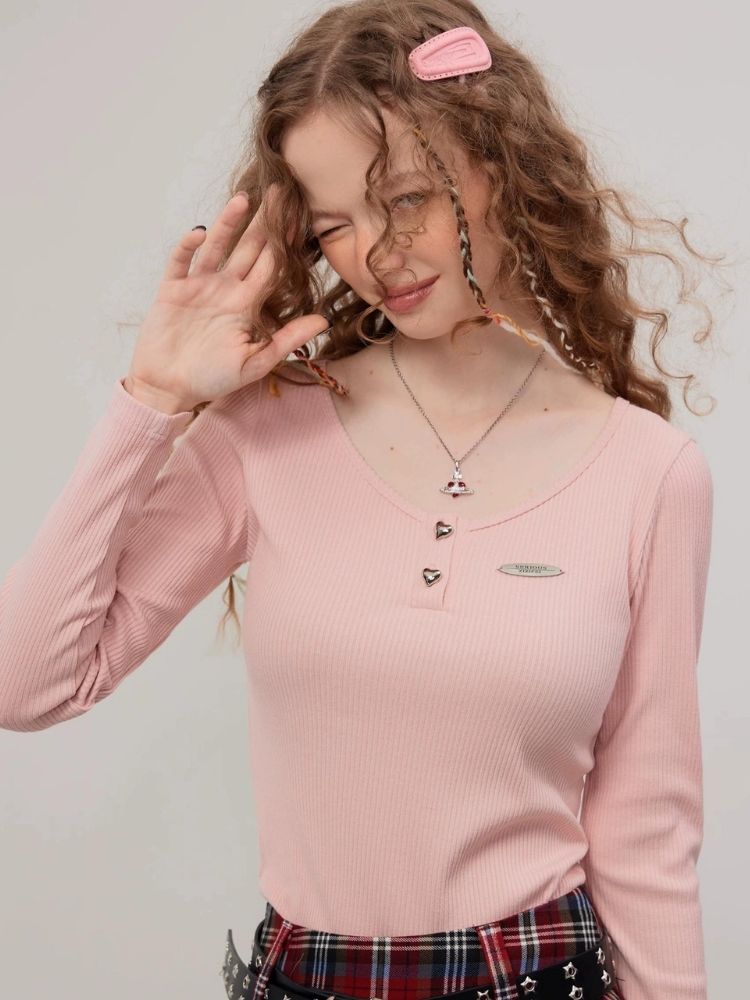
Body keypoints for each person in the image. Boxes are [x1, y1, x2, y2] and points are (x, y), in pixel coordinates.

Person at [0, 3, 718, 1000]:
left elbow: (646, 823)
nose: (377, 253)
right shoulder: (266, 430)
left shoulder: (650, 472)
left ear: (499, 162)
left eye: (405, 197)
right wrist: (153, 400)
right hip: (304, 978)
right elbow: (28, 683)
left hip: (540, 975)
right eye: (334, 224)